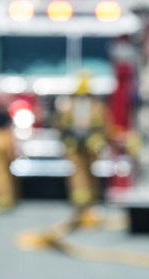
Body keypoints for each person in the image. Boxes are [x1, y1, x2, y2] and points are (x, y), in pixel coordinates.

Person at [55, 73, 108, 212]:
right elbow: (105, 124)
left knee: (79, 171)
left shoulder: (67, 104)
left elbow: (60, 124)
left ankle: (82, 200)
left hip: (78, 143)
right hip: (88, 143)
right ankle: (89, 199)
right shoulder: (97, 104)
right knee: (89, 171)